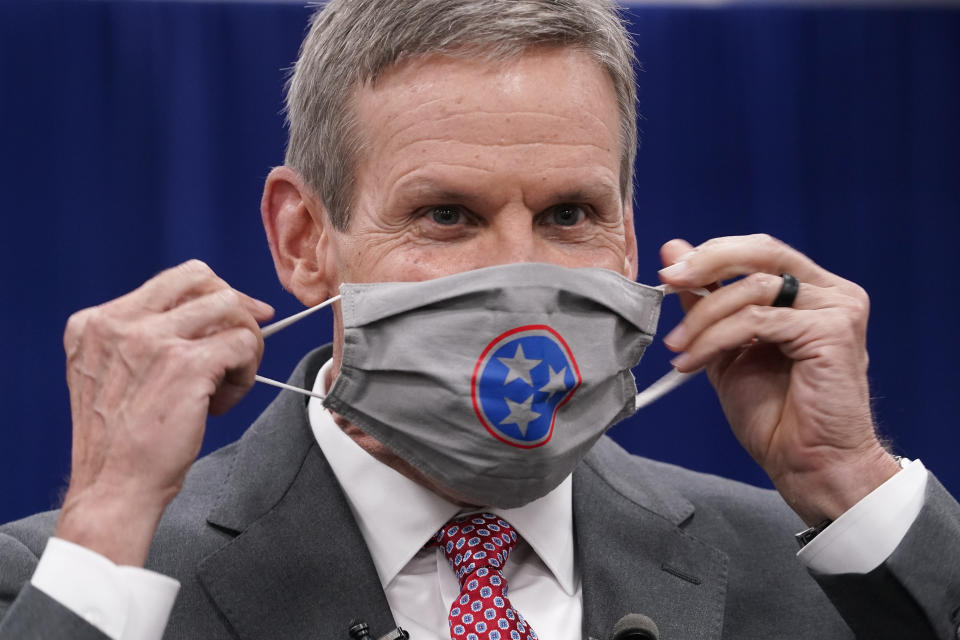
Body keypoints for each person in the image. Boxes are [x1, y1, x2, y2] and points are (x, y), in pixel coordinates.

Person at [1, 1, 958, 639]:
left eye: (569, 215)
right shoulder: (78, 581)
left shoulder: (818, 581)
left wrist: (849, 483)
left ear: (630, 243)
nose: (520, 277)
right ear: (303, 241)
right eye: (447, 215)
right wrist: (112, 523)